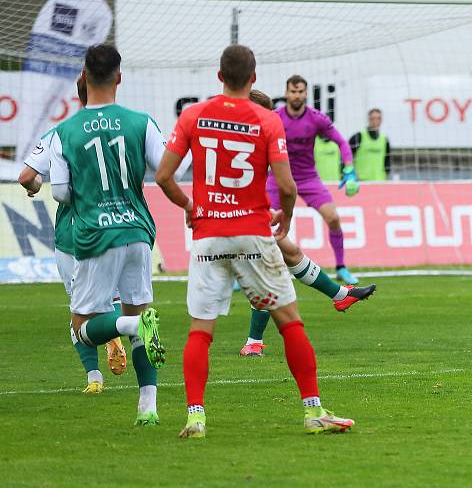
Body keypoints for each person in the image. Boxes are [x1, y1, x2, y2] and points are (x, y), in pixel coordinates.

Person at [155, 45, 354, 437]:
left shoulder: (193, 115)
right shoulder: (267, 120)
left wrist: (189, 205)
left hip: (208, 236)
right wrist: (286, 218)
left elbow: (163, 176)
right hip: (253, 233)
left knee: (201, 329)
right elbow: (286, 186)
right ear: (254, 77)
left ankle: (195, 415)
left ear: (218, 76)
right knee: (289, 322)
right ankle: (313, 411)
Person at [49, 44, 166, 425]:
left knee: (83, 329)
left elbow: (60, 193)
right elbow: (167, 169)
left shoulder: (64, 131)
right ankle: (147, 409)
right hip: (137, 230)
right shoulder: (140, 122)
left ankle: (134, 324)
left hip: (96, 236)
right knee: (137, 308)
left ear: (84, 77)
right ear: (119, 77)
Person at [239, 90, 376, 357]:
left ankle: (339, 294)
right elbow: (284, 185)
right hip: (236, 215)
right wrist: (282, 216)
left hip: (246, 210)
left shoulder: (249, 137)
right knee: (270, 271)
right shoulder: (256, 139)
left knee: (290, 253)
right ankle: (254, 341)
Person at [18, 75, 127, 394]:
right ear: (113, 86)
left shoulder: (59, 134)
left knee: (79, 308)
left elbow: (27, 176)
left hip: (73, 232)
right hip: (115, 224)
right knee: (118, 298)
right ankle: (121, 327)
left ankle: (94, 378)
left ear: (79, 96)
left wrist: (34, 187)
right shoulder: (126, 128)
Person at [270, 75, 360, 285]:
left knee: (334, 218)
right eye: (293, 91)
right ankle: (249, 271)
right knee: (264, 226)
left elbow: (342, 143)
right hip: (278, 178)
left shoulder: (316, 118)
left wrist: (349, 169)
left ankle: (341, 268)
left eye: (301, 91)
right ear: (286, 93)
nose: (297, 95)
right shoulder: (275, 117)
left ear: (306, 93)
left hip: (308, 177)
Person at [349, 108, 391, 181]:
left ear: (381, 120)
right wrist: (351, 173)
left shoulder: (384, 140)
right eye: (372, 118)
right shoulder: (359, 136)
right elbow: (346, 155)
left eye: (378, 118)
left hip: (379, 181)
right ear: (368, 120)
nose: (375, 121)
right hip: (361, 181)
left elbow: (387, 161)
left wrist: (385, 175)